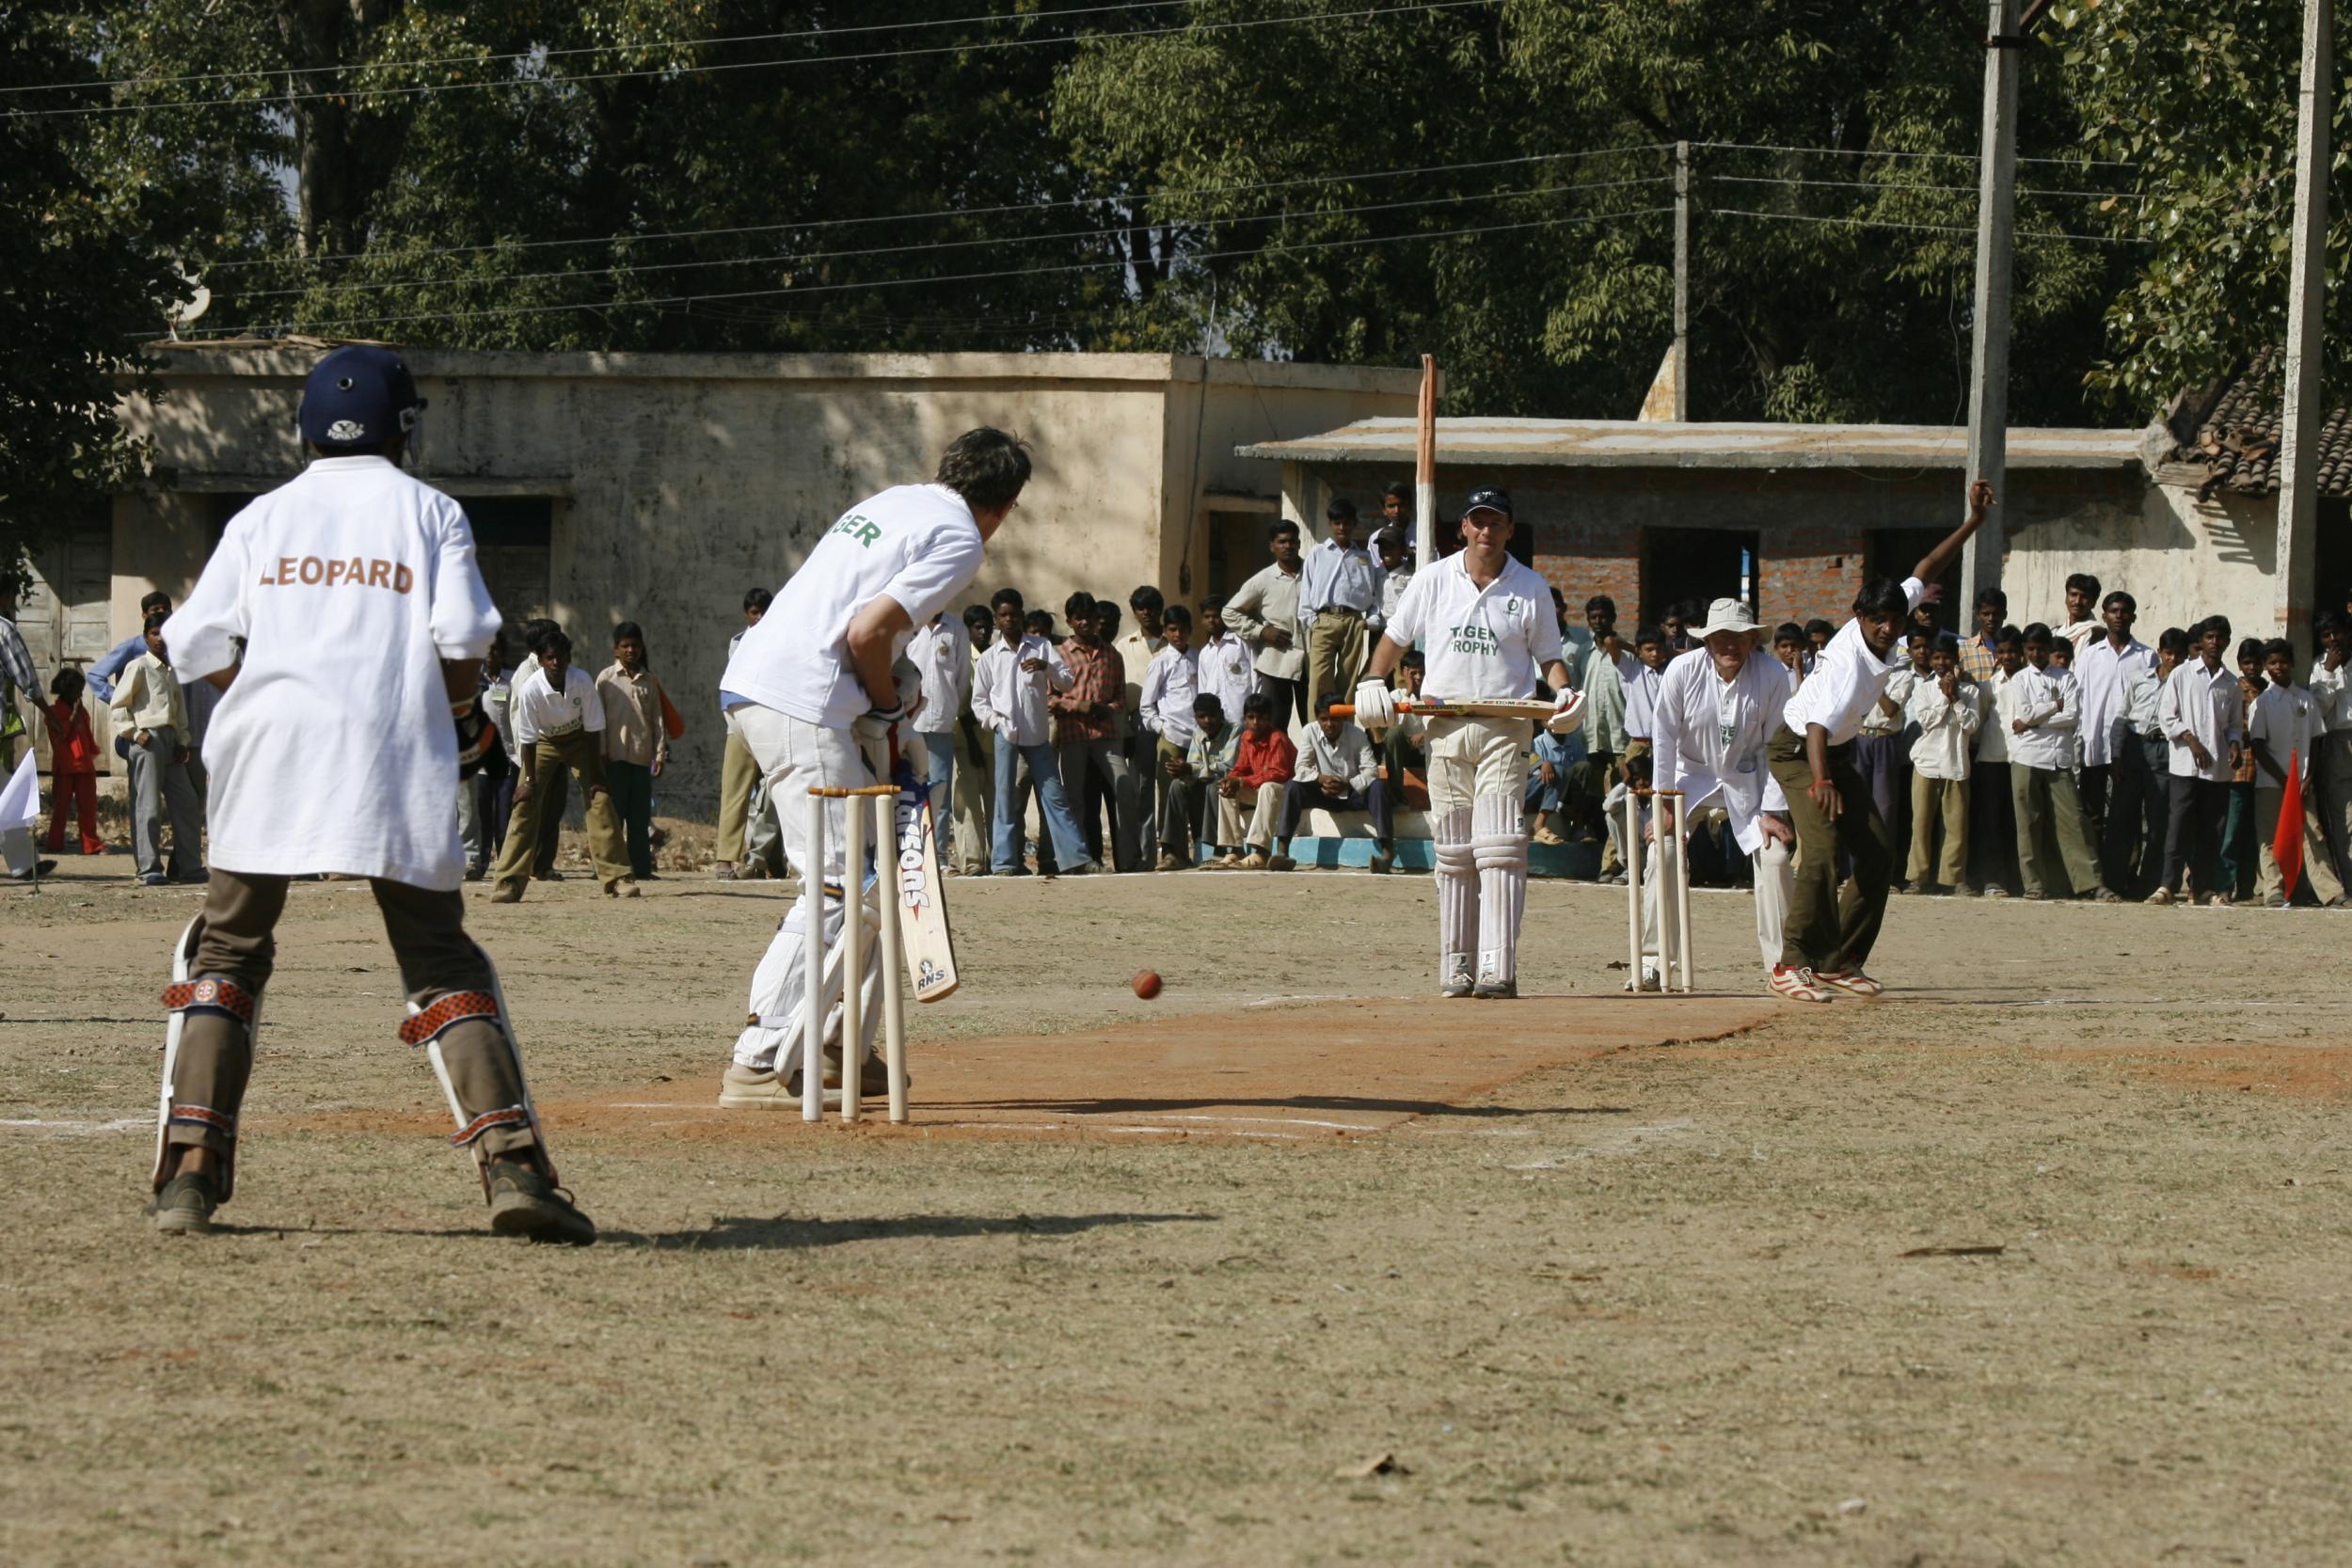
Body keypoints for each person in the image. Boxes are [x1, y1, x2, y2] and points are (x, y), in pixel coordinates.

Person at [147, 343, 591, 1242]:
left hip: (267, 755)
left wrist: (267, 695)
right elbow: (463, 632)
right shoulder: (430, 511)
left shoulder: (262, 519)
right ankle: (512, 1167)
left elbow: (190, 643)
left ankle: (190, 1173)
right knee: (438, 958)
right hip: (391, 751)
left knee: (228, 953)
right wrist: (460, 713)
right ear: (405, 427)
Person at [716, 429, 1031, 1109]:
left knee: (878, 881)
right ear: (1004, 505)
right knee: (841, 883)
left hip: (768, 686)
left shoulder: (897, 501)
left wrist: (893, 703)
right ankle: (763, 1056)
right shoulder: (959, 537)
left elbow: (868, 633)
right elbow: (865, 633)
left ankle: (837, 1044)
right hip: (803, 700)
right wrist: (888, 710)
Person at [1354, 485, 1579, 998]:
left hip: (1507, 723)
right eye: (1477, 521)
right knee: (1454, 851)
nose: (1485, 531)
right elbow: (1396, 636)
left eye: (1495, 522)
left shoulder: (1531, 587)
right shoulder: (1433, 580)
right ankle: (1457, 964)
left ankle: (1499, 964)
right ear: (1463, 528)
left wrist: (1565, 693)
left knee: (1499, 846)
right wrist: (1372, 680)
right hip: (1445, 724)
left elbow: (1548, 656)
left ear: (1508, 530)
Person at [1768, 482, 1991, 994]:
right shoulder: (1847, 665)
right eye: (1878, 620)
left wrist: (1974, 522)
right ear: (1859, 617)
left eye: (1895, 619)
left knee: (1875, 854)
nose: (1889, 629)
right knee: (1822, 852)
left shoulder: (1891, 613)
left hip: (1836, 749)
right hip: (1800, 749)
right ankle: (1790, 963)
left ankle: (1838, 960)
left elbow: (1926, 568)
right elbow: (1817, 728)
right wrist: (1822, 782)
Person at [1645, 598, 1809, 999]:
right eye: (1721, 637)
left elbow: (1778, 746)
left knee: (1774, 857)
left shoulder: (1771, 674)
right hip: (1689, 778)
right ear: (1707, 640)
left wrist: (1772, 809)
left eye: (1738, 637)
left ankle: (1781, 965)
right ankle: (1653, 962)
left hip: (1748, 781)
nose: (1729, 646)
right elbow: (1663, 736)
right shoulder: (1683, 670)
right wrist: (1663, 802)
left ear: (1753, 639)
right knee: (1661, 853)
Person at [488, 626, 634, 901]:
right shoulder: (532, 688)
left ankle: (618, 878)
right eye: (550, 658)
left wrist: (596, 776)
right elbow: (528, 738)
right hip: (544, 742)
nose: (556, 664)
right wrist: (529, 781)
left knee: (600, 799)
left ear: (568, 658)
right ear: (541, 660)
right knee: (524, 803)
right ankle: (509, 881)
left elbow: (593, 731)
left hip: (579, 740)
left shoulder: (582, 681)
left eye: (561, 657)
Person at [973, 586, 1093, 878]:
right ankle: (1004, 862)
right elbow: (979, 701)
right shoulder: (990, 657)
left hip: (1038, 735)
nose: (1009, 620)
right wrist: (995, 722)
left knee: (1054, 795)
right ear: (996, 619)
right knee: (1004, 798)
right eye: (1003, 615)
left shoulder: (1041, 647)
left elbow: (1066, 683)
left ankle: (1075, 858)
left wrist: (1047, 667)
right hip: (1007, 734)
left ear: (1021, 615)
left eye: (1014, 614)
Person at [2007, 624, 2109, 901]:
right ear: (2024, 651)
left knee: (2073, 821)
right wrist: (2053, 707)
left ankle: (2089, 883)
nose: (2036, 653)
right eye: (2031, 649)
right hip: (2026, 756)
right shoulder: (2019, 679)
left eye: (2041, 648)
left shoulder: (2066, 678)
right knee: (2028, 824)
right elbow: (2024, 712)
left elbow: (2072, 716)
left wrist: (2033, 723)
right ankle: (2034, 884)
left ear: (2050, 649)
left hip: (2058, 758)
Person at [2150, 617, 2243, 907]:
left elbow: (2234, 724)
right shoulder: (2182, 674)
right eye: (2210, 637)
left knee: (2211, 830)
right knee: (2179, 827)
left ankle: (2202, 887)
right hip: (2185, 766)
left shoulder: (2231, 684)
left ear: (2227, 641)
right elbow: (2167, 717)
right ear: (2201, 641)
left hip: (2217, 769)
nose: (2215, 643)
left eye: (2221, 638)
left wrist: (2235, 744)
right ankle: (2167, 885)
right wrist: (2191, 740)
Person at [110, 610, 206, 887]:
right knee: (148, 805)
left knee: (187, 804)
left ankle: (190, 867)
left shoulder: (172, 672)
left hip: (172, 743)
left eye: (165, 634)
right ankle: (149, 868)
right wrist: (134, 733)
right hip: (147, 740)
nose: (160, 640)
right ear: (146, 637)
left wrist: (182, 741)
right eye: (154, 634)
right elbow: (119, 706)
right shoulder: (139, 666)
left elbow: (180, 713)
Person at [2248, 638, 2346, 907]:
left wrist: (2308, 776)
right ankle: (2273, 890)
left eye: (2283, 661)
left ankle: (2331, 892)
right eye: (2272, 662)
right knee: (2269, 837)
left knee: (2313, 836)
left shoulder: (2306, 699)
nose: (2278, 666)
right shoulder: (2263, 702)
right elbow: (2258, 745)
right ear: (2266, 667)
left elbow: (2315, 740)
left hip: (2302, 782)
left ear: (2291, 664)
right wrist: (2283, 779)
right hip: (2272, 782)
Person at [1051, 592, 1142, 873]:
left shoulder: (1111, 654)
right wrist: (1081, 706)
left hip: (1106, 734)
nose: (1085, 623)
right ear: (1070, 621)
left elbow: (1120, 700)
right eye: (1079, 618)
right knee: (1076, 799)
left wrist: (1107, 708)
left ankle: (1129, 861)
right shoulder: (1058, 654)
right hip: (1073, 734)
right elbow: (1049, 699)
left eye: (1090, 618)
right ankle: (1077, 860)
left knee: (1125, 787)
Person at [2074, 590, 2154, 891]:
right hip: (2095, 745)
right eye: (2113, 611)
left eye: (2124, 611)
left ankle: (2125, 876)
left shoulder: (2147, 657)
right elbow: (2078, 699)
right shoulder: (2090, 656)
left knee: (2128, 815)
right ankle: (2095, 878)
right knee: (2093, 814)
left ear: (2133, 616)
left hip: (2132, 749)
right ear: (2104, 615)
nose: (2119, 616)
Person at [1272, 691, 1389, 871]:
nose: (1329, 724)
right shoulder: (1309, 731)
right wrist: (1322, 779)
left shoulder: (1357, 735)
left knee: (1378, 787)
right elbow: (1301, 768)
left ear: (1344, 718)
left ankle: (1387, 854)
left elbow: (1371, 771)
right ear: (1317, 719)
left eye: (1334, 719)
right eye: (1323, 719)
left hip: (1352, 793)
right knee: (1293, 786)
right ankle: (1282, 852)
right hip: (1323, 792)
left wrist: (1347, 784)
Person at [1904, 633, 1980, 895]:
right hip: (1926, 762)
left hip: (1956, 763)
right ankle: (1917, 877)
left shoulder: (1970, 690)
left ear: (1956, 659)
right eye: (1936, 657)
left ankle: (1954, 878)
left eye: (1946, 657)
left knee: (1956, 825)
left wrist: (1956, 698)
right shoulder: (1924, 688)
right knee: (1921, 824)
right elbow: (1926, 721)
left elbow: (1971, 725)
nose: (1940, 662)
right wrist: (1943, 697)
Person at [596, 622, 673, 881]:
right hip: (614, 758)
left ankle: (640, 868)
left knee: (639, 817)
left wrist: (659, 754)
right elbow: (599, 720)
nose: (631, 650)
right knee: (613, 816)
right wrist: (602, 753)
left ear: (642, 648)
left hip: (641, 759)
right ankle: (611, 867)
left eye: (635, 645)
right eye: (625, 645)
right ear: (616, 649)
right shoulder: (606, 679)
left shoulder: (649, 681)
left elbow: (657, 721)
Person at [2109, 627, 2183, 898]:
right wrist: (2116, 755)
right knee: (2121, 816)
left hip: (2165, 748)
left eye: (2179, 654)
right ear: (2159, 653)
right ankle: (2115, 880)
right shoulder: (2139, 678)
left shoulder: (2184, 684)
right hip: (2134, 746)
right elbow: (2121, 717)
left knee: (2158, 819)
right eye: (2168, 653)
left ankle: (2149, 882)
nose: (2173, 659)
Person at [1301, 497, 1379, 721]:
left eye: (1346, 523)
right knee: (1319, 677)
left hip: (1354, 620)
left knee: (1349, 679)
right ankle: (1317, 728)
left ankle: (1344, 730)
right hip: (1324, 619)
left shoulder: (1363, 557)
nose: (1342, 527)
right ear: (1331, 524)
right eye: (1337, 523)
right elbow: (1306, 589)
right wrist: (1310, 620)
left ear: (1354, 524)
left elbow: (1374, 593)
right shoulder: (1318, 553)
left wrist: (1370, 620)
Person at [714, 587, 774, 879]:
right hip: (740, 727)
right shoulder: (738, 643)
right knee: (734, 793)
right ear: (746, 614)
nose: (760, 618)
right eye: (754, 613)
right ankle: (725, 859)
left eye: (765, 612)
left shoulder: (782, 640)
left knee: (776, 794)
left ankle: (763, 859)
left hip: (773, 726)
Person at [907, 600, 973, 863]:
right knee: (907, 790)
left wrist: (950, 708)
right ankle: (908, 854)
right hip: (908, 723)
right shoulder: (908, 625)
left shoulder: (956, 628)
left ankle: (938, 856)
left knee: (940, 791)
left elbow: (961, 676)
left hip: (941, 723)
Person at [1225, 520, 1309, 726]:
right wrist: (1262, 631)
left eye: (1292, 541)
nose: (1287, 546)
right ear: (1272, 546)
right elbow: (1229, 612)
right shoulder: (1262, 580)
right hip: (1276, 663)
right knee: (1274, 727)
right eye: (1282, 542)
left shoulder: (1313, 573)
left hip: (1311, 661)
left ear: (1298, 543)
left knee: (1315, 726)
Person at [0, 578, 56, 881]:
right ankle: (22, 863)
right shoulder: (4, 629)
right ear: (6, 595)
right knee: (9, 791)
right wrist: (51, 715)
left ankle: (23, 862)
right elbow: (27, 681)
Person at [1137, 604, 1200, 869]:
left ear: (1190, 631)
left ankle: (1199, 847)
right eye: (1172, 630)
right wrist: (1161, 728)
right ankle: (1171, 852)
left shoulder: (1200, 657)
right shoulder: (1160, 662)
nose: (1178, 635)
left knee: (1198, 790)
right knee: (1168, 794)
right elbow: (1146, 705)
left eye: (1183, 630)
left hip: (1198, 739)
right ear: (1165, 631)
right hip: (1172, 736)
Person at [1971, 627, 2023, 898]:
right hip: (1992, 758)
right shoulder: (1989, 686)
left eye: (2012, 651)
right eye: (2002, 652)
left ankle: (2017, 879)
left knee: (2017, 821)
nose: (2008, 656)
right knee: (1991, 820)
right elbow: (1979, 723)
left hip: (2022, 759)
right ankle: (1992, 879)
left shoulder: (2029, 681)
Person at [1222, 690, 1296, 868]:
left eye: (1261, 718)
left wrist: (1242, 782)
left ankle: (1261, 852)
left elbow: (1278, 773)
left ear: (1269, 719)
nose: (1256, 723)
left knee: (1268, 787)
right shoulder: (1246, 737)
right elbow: (1241, 767)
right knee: (1224, 790)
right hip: (1260, 791)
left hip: (1285, 794)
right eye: (1251, 717)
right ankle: (1235, 849)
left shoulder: (1276, 738)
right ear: (1245, 719)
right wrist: (1231, 779)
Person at [2308, 611, 2352, 889]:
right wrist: (2330, 672)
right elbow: (2318, 711)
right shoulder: (2318, 668)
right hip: (2337, 741)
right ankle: (2349, 879)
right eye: (2326, 635)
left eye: (2337, 633)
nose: (2333, 640)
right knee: (2344, 816)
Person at [40, 669, 104, 856]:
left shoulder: (81, 710)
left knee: (88, 807)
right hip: (65, 766)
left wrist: (92, 752)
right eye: (78, 690)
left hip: (84, 765)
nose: (80, 694)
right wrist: (73, 715)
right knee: (61, 807)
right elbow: (61, 734)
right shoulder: (53, 713)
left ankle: (91, 845)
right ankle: (54, 843)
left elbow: (87, 734)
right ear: (66, 690)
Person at [1180, 693, 1240, 864]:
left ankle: (1217, 849)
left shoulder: (1235, 731)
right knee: (1178, 786)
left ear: (1221, 714)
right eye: (1201, 717)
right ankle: (1174, 852)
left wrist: (1191, 769)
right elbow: (1193, 765)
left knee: (1215, 786)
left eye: (1212, 715)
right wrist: (1183, 771)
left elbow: (1227, 767)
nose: (1207, 721)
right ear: (1196, 718)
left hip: (1230, 785)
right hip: (1205, 783)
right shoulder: (1198, 734)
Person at [1195, 593, 1256, 727]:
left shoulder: (1241, 643)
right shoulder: (1205, 653)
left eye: (1215, 616)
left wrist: (1254, 712)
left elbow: (1256, 677)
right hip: (1215, 725)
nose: (1211, 620)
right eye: (1207, 617)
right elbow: (1203, 690)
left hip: (1240, 719)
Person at [1958, 587, 2007, 683]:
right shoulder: (1963, 650)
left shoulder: (2015, 650)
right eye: (1986, 614)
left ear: (2004, 615)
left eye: (1996, 614)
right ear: (1977, 615)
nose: (1991, 619)